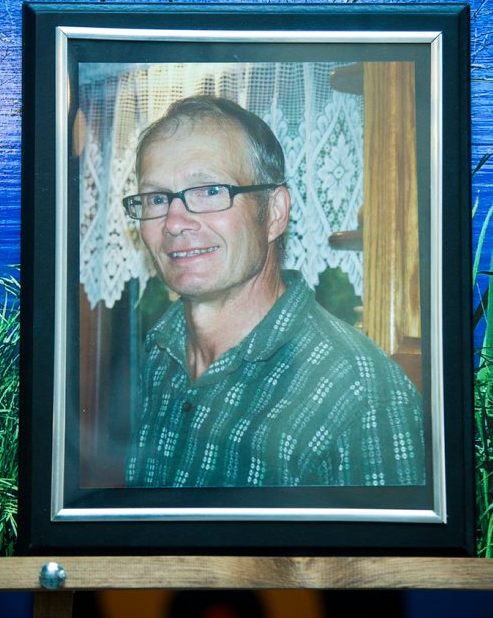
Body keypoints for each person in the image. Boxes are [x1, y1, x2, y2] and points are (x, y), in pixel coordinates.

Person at [123, 95, 425, 488]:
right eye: (158, 198)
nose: (175, 222)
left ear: (275, 213)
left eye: (210, 191)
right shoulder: (163, 352)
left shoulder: (362, 395)